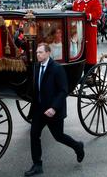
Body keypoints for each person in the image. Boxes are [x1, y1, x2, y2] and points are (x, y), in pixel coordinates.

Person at [24, 43, 85, 176]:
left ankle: (77, 146)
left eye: (40, 52)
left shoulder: (57, 69)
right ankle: (37, 165)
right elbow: (35, 86)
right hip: (39, 109)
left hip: (53, 110)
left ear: (48, 53)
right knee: (34, 135)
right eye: (37, 52)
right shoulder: (36, 67)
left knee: (59, 136)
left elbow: (63, 91)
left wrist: (53, 108)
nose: (37, 54)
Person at [72, 0, 102, 70]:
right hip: (77, 29)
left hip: (88, 29)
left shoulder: (94, 1)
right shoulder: (77, 2)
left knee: (89, 51)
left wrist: (86, 16)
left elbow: (97, 14)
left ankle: (89, 72)